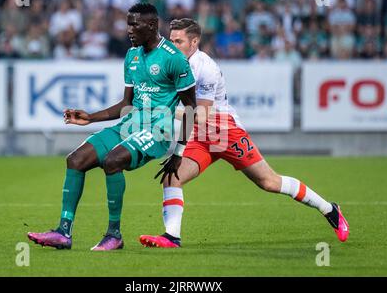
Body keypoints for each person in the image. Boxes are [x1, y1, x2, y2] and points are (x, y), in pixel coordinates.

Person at [140, 18, 349, 248]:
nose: (173, 45)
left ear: (195, 41)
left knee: (269, 182)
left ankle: (329, 209)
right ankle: (172, 237)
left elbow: (202, 115)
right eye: (171, 40)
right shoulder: (172, 63)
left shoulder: (205, 67)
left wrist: (162, 110)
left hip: (224, 130)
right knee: (172, 177)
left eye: (178, 41)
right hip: (200, 135)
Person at [27, 3, 196, 251]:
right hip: (129, 125)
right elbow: (126, 104)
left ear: (151, 26)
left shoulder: (175, 59)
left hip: (158, 131)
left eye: (133, 24)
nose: (128, 30)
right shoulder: (132, 56)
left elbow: (191, 108)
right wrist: (90, 118)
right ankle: (64, 232)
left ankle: (114, 234)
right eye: (127, 23)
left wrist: (178, 153)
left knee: (113, 160)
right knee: (76, 159)